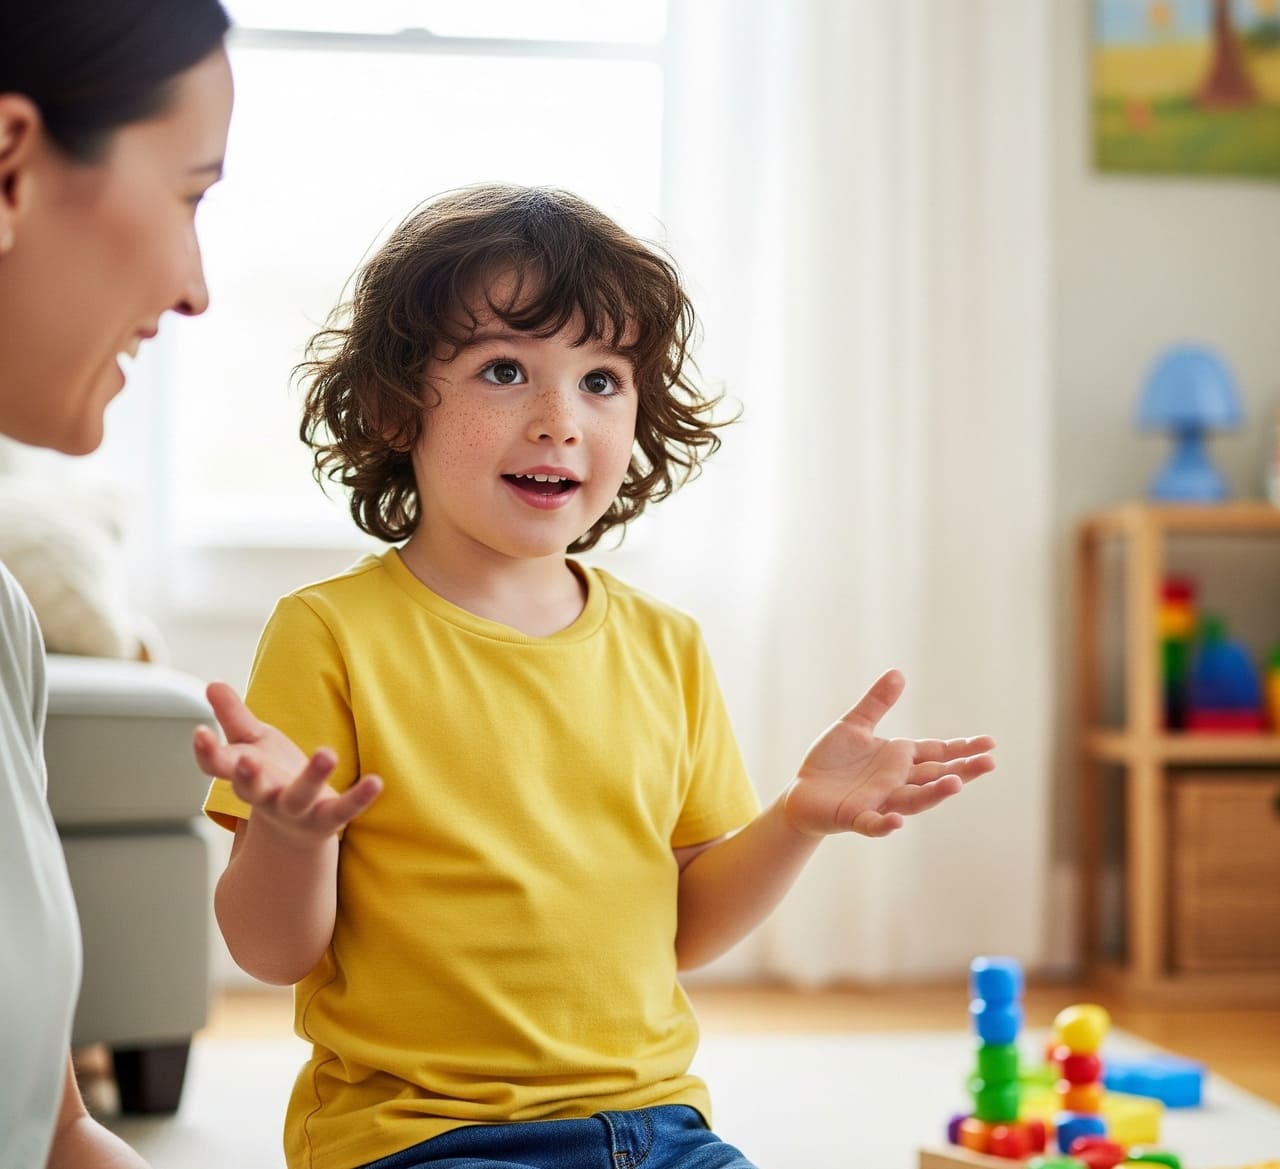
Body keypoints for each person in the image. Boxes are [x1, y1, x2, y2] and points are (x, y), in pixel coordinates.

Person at [195, 184, 996, 1169]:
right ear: (397, 405)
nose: (559, 419)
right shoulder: (330, 632)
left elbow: (684, 928)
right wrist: (289, 835)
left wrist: (796, 819)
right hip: (423, 1133)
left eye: (602, 380)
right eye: (504, 370)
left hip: (656, 1126)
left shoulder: (667, 645)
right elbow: (271, 952)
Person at [0, 2, 233, 1165]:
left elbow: (51, 1130)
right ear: (9, 168)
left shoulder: (3, 618)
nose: (196, 288)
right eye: (190, 195)